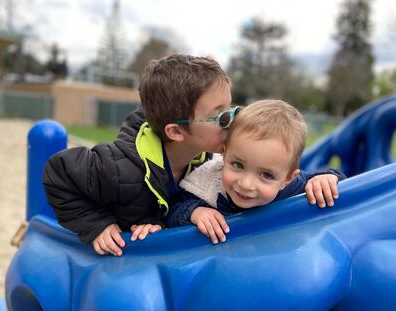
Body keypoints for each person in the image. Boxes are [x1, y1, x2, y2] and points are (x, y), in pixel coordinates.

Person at [42, 54, 234, 256]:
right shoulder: (118, 169)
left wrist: (158, 222)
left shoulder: (204, 160)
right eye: (220, 117)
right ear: (176, 132)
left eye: (230, 110)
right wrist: (97, 225)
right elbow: (58, 173)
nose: (231, 123)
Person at [166, 100, 346, 244]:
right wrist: (195, 212)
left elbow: (335, 187)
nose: (245, 184)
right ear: (224, 153)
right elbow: (172, 210)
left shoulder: (294, 186)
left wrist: (326, 179)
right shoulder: (205, 184)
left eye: (266, 175)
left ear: (287, 179)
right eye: (237, 165)